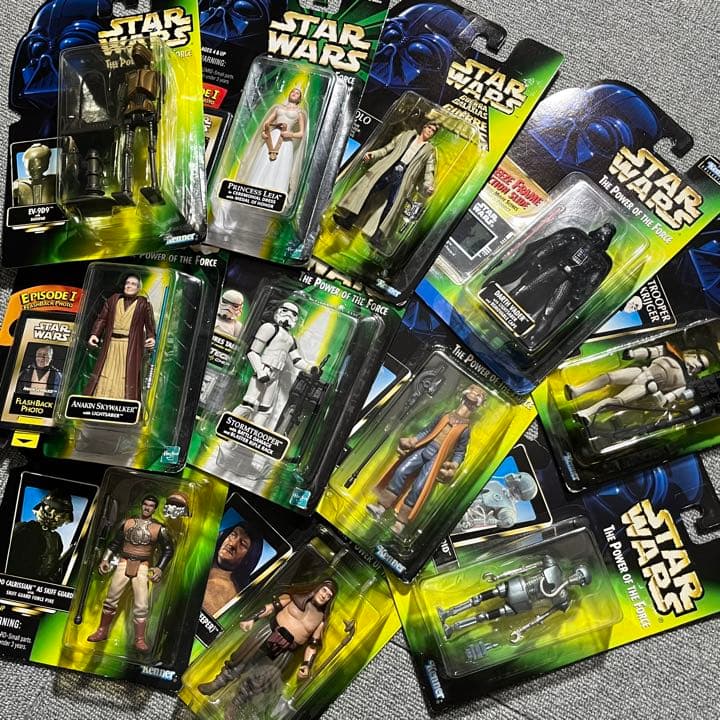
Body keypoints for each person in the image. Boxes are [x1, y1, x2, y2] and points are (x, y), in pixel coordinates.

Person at [197, 578, 337, 715]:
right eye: (324, 590)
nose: (325, 595)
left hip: (284, 651)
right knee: (240, 660)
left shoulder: (321, 620)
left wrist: (307, 665)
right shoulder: (294, 597)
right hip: (267, 634)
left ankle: (235, 706)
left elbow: (313, 645)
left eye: (329, 595)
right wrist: (252, 618)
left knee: (260, 679)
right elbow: (271, 607)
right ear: (317, 588)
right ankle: (217, 684)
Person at [366, 384, 484, 534]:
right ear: (462, 398)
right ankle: (381, 507)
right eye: (467, 401)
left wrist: (454, 465)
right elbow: (427, 430)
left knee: (419, 487)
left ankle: (400, 522)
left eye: (472, 404)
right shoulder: (445, 415)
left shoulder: (465, 430)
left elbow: (460, 451)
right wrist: (413, 440)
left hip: (436, 459)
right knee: (401, 471)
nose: (467, 405)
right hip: (424, 448)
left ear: (475, 407)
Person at [482, 223, 616, 348]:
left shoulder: (600, 262)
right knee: (520, 292)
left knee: (549, 313)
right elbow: (552, 245)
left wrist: (575, 297)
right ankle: (493, 315)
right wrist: (538, 257)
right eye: (600, 233)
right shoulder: (576, 237)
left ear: (607, 241)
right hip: (553, 270)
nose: (600, 237)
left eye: (604, 236)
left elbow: (589, 284)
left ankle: (532, 340)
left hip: (567, 283)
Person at [86, 494, 175, 652]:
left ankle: (139, 639)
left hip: (142, 566)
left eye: (151, 506)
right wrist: (105, 559)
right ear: (141, 505)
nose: (147, 508)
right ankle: (102, 630)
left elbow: (168, 550)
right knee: (111, 599)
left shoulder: (159, 529)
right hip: (124, 562)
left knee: (141, 604)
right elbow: (115, 543)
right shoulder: (127, 523)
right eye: (145, 504)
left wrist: (160, 568)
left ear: (155, 509)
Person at [333, 121, 438, 251]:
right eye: (429, 128)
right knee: (368, 192)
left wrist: (428, 186)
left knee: (392, 205)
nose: (430, 131)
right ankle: (349, 220)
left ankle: (377, 236)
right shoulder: (406, 135)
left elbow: (429, 171)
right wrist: (373, 154)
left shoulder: (429, 151)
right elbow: (387, 149)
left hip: (404, 177)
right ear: (424, 127)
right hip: (389, 168)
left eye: (433, 131)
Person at [566, 342, 712, 426]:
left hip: (645, 387)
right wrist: (634, 353)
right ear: (693, 354)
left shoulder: (684, 384)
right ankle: (577, 391)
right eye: (699, 360)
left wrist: (656, 393)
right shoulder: (671, 351)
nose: (697, 366)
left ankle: (587, 414)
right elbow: (651, 352)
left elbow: (665, 401)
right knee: (608, 377)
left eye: (702, 367)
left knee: (616, 401)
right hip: (641, 371)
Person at [83, 273, 156, 402]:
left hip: (129, 346)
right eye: (127, 283)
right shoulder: (113, 300)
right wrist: (95, 334)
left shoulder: (143, 304)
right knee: (106, 371)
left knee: (125, 374)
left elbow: (149, 322)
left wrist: (151, 336)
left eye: (133, 284)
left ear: (139, 288)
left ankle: (121, 402)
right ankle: (99, 399)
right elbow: (102, 319)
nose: (129, 286)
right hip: (111, 344)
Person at [243, 87, 306, 205]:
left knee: (280, 166)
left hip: (286, 142)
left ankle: (275, 195)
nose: (294, 94)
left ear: (299, 98)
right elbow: (266, 123)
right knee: (264, 161)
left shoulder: (299, 113)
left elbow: (302, 133)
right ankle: (253, 190)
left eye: (297, 93)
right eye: (293, 91)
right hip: (272, 137)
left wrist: (291, 134)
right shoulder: (278, 108)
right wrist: (264, 132)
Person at [7, 490, 74, 583]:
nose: (61, 521)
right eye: (61, 516)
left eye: (63, 516)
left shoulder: (57, 539)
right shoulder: (24, 529)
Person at [202, 522, 263, 617]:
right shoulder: (200, 556)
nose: (232, 544)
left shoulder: (226, 592)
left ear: (248, 558)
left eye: (242, 544)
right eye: (233, 535)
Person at [459, 472, 538, 531]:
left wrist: (498, 521)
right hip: (461, 504)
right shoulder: (495, 485)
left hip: (466, 521)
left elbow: (508, 520)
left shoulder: (509, 509)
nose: (513, 477)